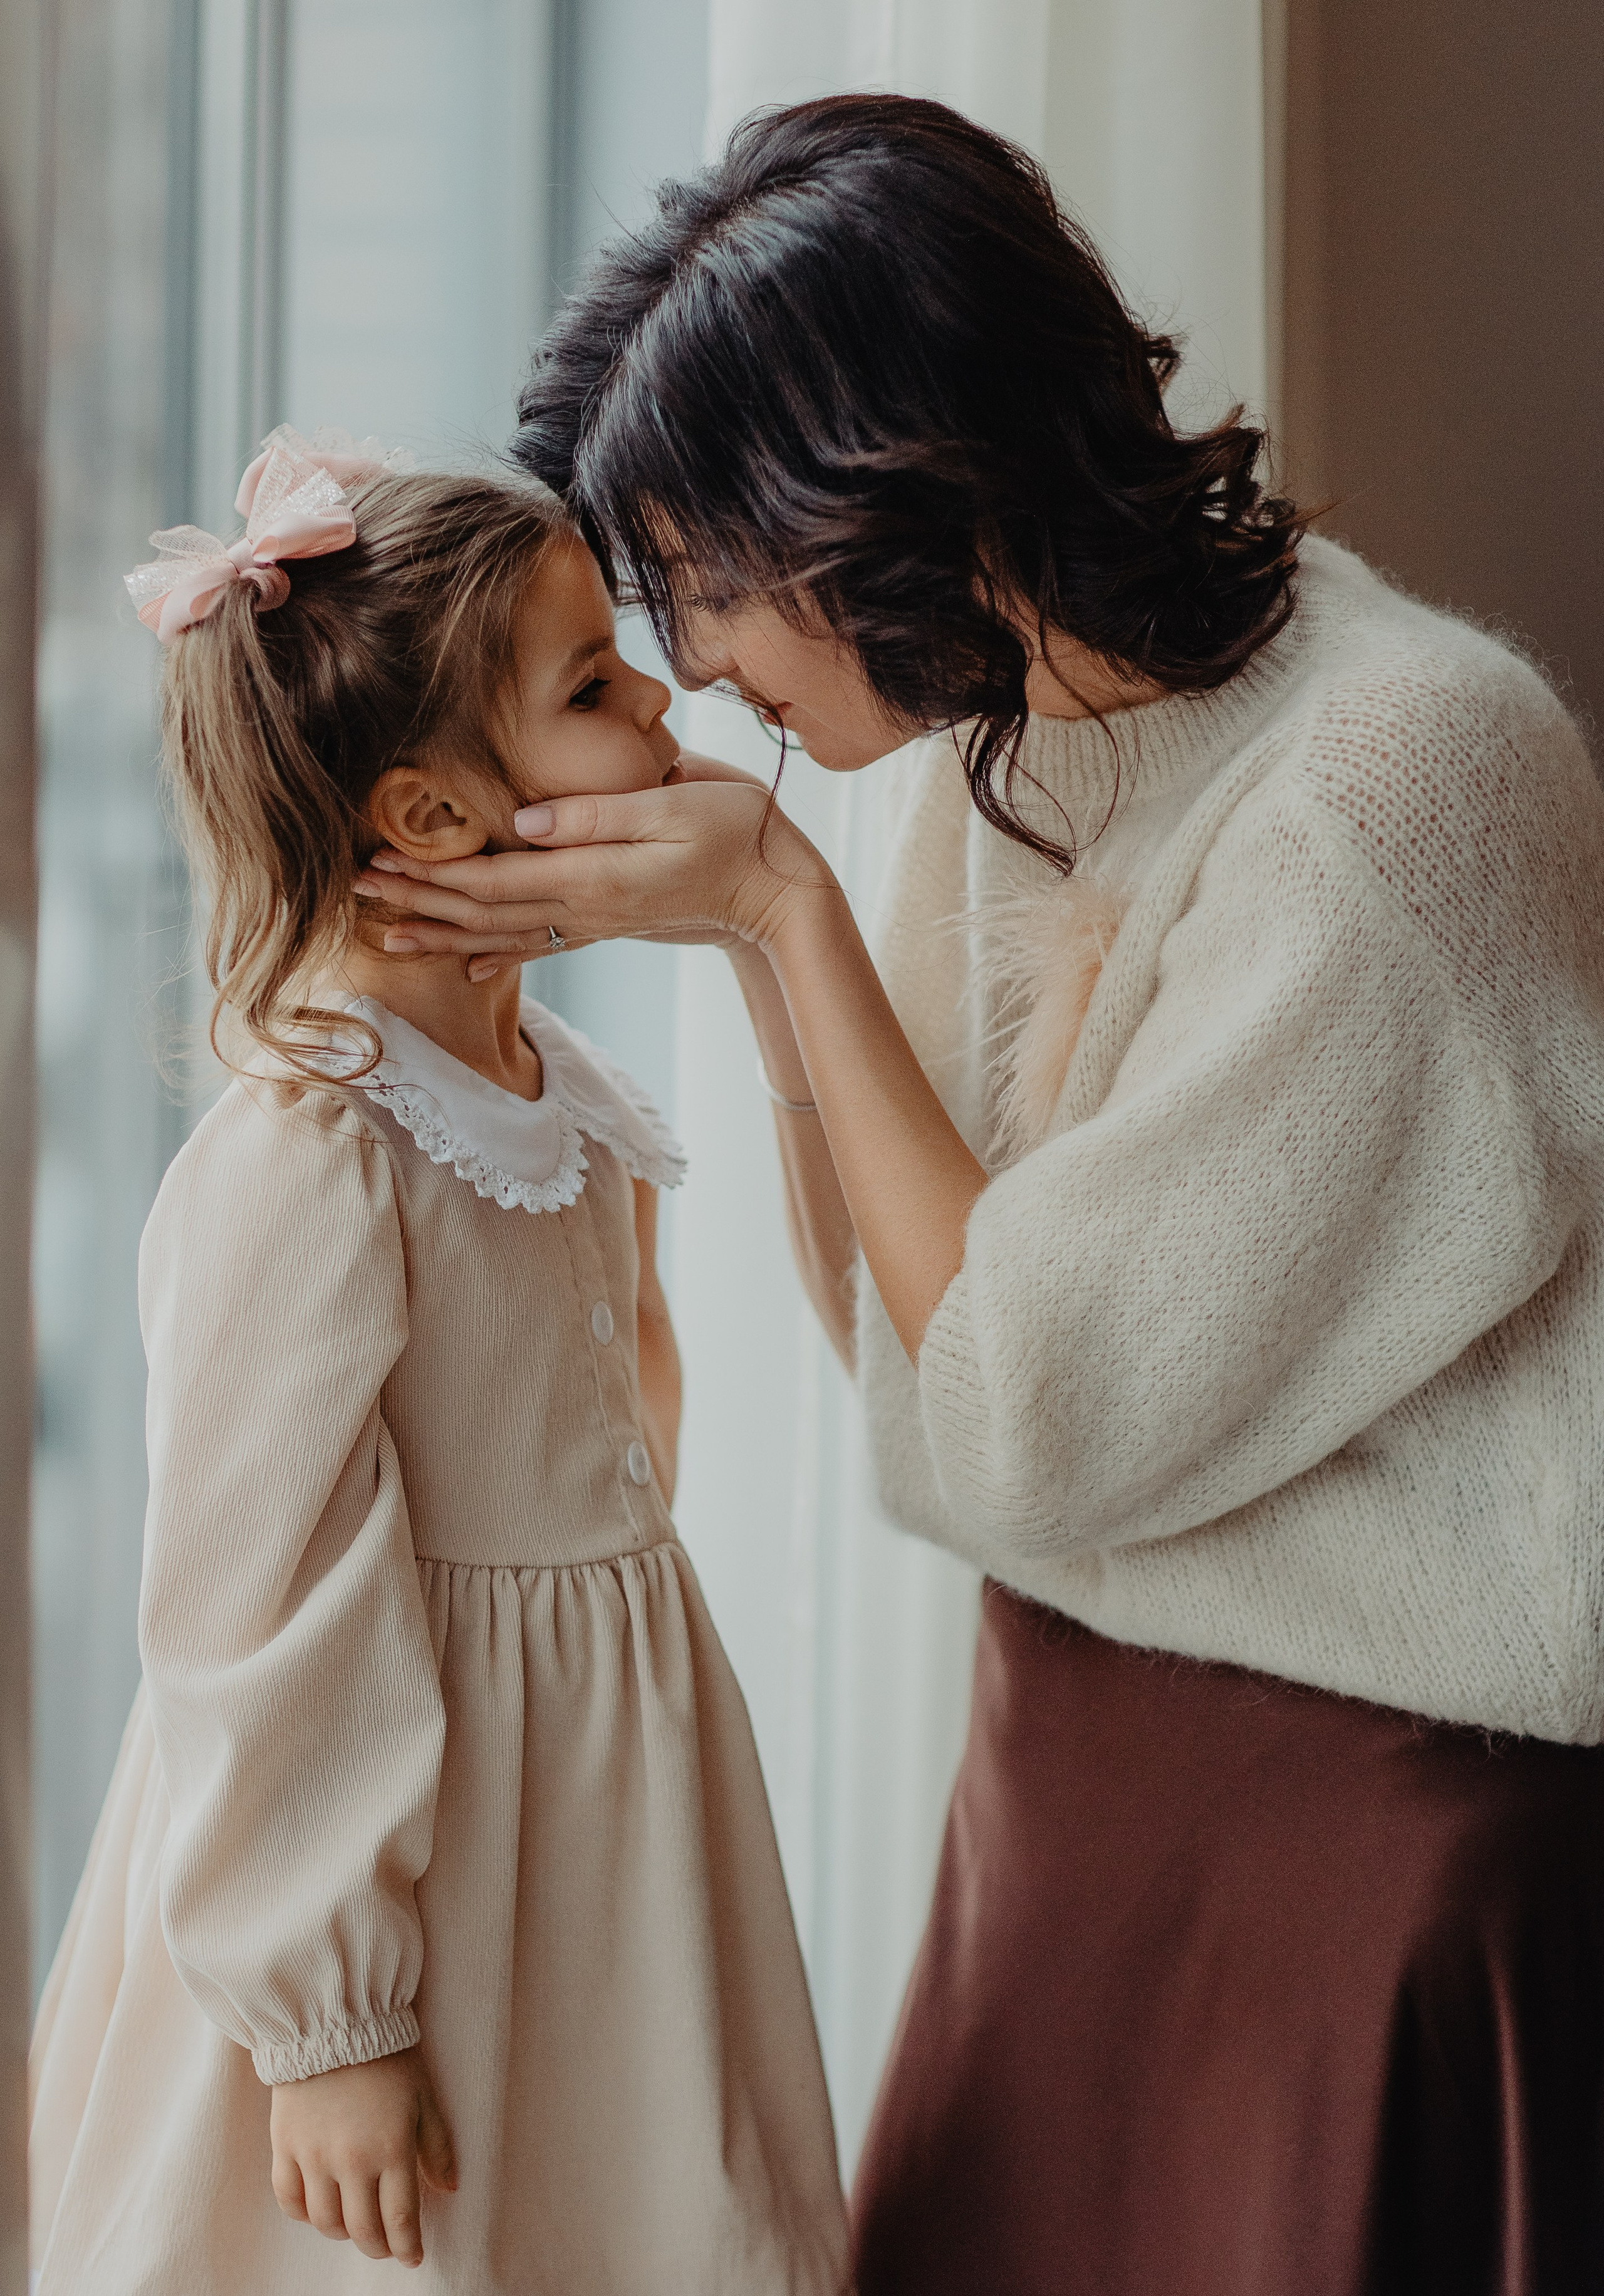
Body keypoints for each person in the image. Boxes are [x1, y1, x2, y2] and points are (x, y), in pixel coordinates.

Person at [363, 95, 1604, 2296]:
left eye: (715, 579)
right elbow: (916, 1363)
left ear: (897, 490)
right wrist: (772, 933)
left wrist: (780, 912)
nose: (703, 662)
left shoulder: (1402, 789)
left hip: (1358, 1837)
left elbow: (1033, 1405)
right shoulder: (998, 753)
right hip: (1066, 1779)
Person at [28, 428, 849, 2293]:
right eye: (589, 686)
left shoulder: (562, 1100)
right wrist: (335, 2024)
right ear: (426, 818)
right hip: (380, 1839)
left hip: (587, 1817)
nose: (659, 694)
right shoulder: (316, 1148)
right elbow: (255, 1602)